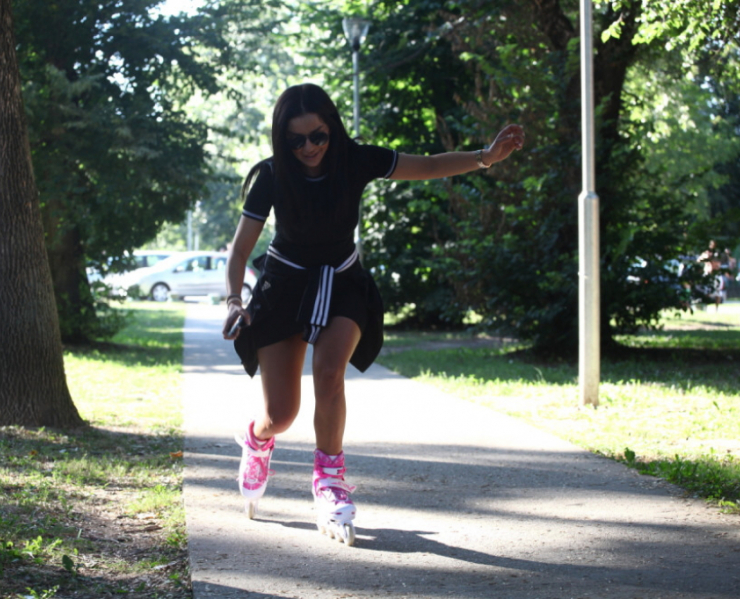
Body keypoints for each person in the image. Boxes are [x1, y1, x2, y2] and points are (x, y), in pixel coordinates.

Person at [222, 83, 524, 545]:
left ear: (332, 128)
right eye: (296, 140)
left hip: (342, 282)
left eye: (318, 136)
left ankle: (329, 482)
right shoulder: (272, 175)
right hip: (285, 285)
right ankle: (257, 440)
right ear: (283, 140)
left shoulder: (355, 160)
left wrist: (486, 157)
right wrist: (234, 301)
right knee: (281, 414)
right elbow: (239, 251)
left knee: (329, 373)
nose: (309, 147)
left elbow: (430, 165)